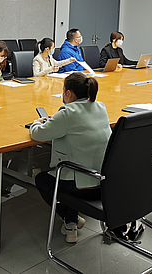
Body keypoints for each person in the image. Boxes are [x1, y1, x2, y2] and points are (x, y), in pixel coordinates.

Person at [30, 73, 111, 243]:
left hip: (81, 186)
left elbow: (38, 134)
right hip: (104, 181)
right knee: (70, 172)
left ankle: (70, 220)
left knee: (43, 179)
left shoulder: (67, 113)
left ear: (68, 93)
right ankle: (71, 224)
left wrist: (37, 123)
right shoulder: (100, 107)